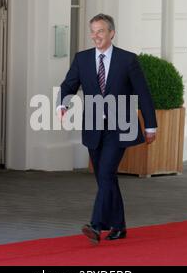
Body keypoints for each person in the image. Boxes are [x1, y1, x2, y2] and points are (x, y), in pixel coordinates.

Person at [58, 14, 157, 244]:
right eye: (93, 31)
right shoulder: (82, 59)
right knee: (106, 178)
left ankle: (96, 224)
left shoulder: (127, 60)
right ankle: (119, 226)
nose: (95, 36)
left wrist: (150, 125)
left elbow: (143, 94)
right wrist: (62, 102)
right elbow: (69, 84)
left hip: (120, 127)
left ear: (111, 33)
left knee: (105, 173)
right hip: (93, 127)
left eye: (100, 31)